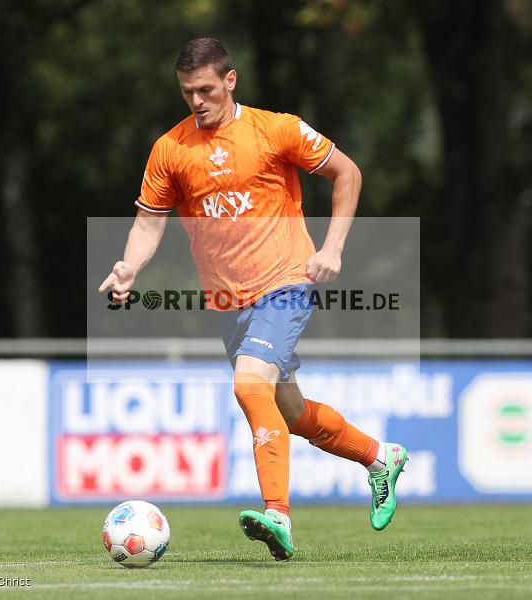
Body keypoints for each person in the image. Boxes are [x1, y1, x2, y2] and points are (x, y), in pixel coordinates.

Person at [99, 38, 407, 561]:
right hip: (228, 301)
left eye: (205, 89)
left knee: (248, 385)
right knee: (288, 411)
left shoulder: (276, 129)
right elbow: (149, 223)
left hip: (286, 282)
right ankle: (380, 457)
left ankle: (278, 515)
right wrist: (129, 265)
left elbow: (347, 173)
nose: (196, 101)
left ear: (230, 80)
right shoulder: (170, 149)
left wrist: (332, 247)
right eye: (186, 92)